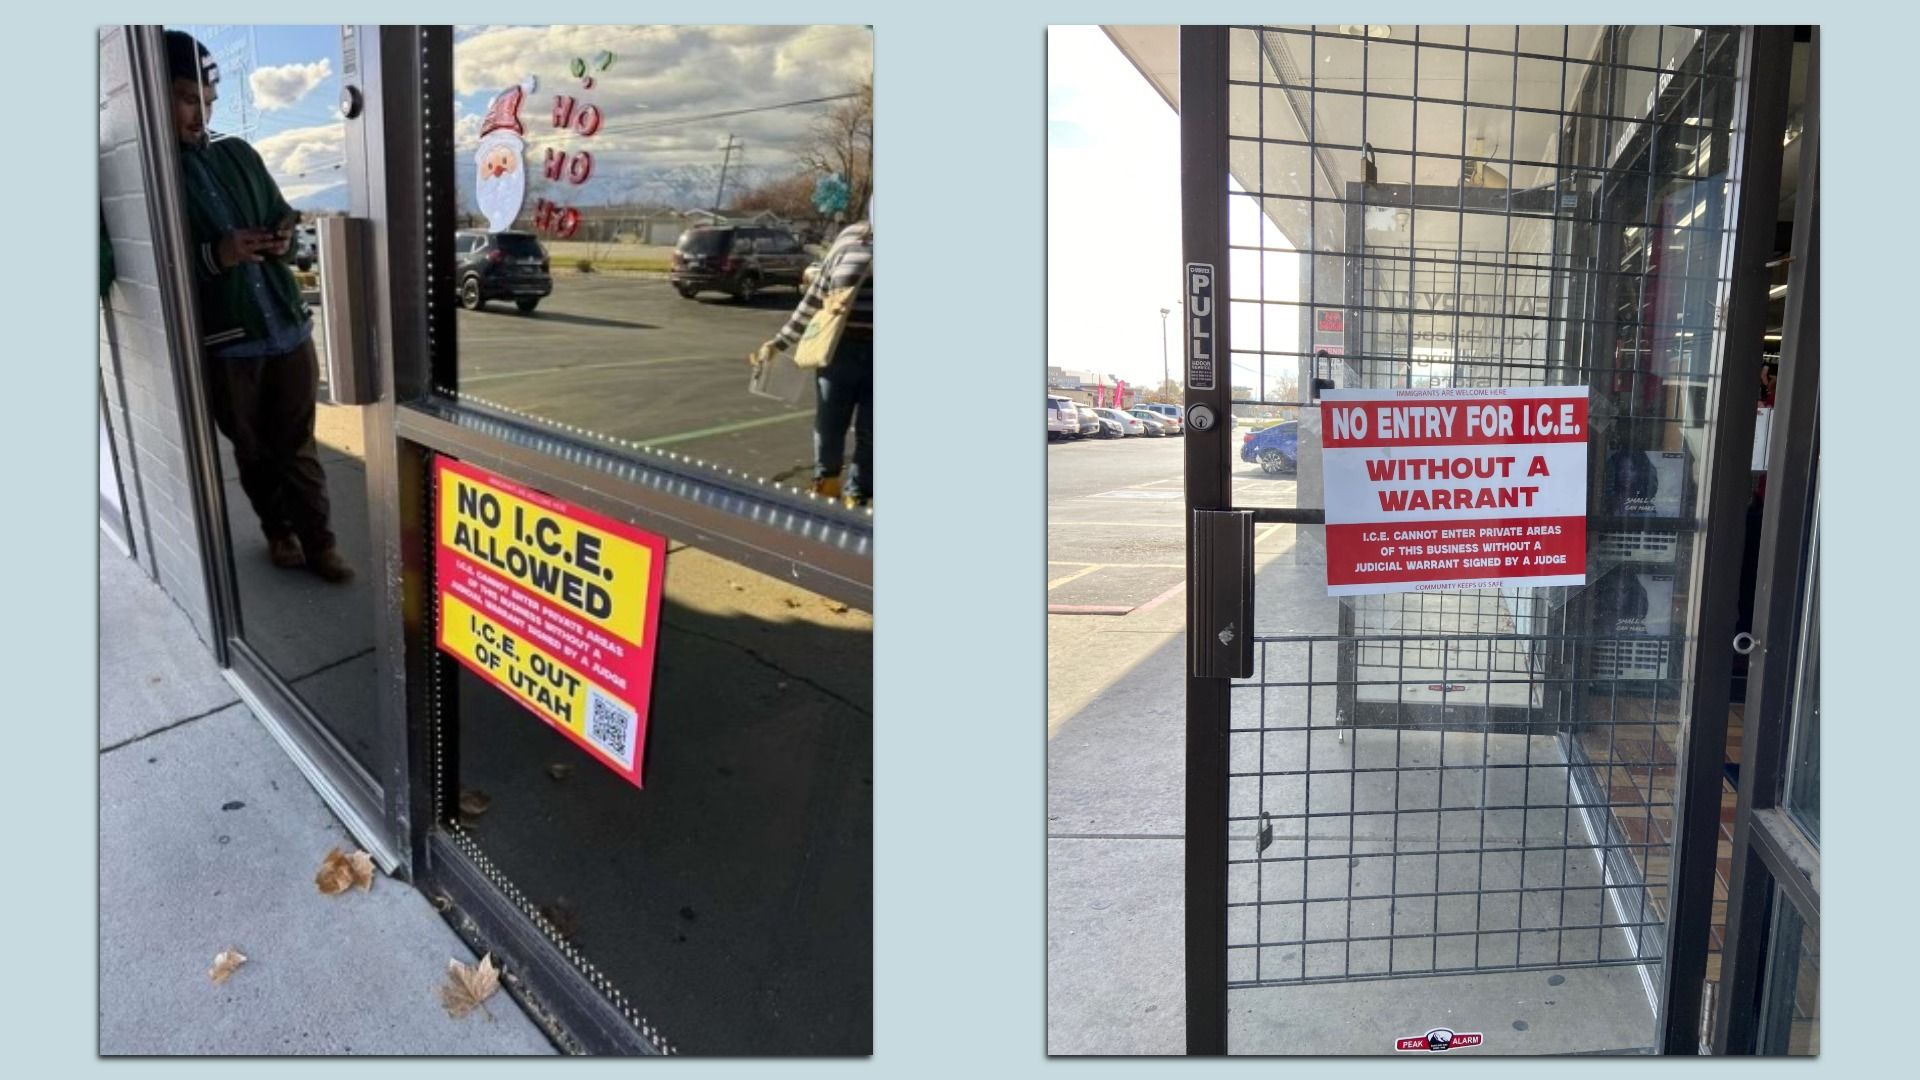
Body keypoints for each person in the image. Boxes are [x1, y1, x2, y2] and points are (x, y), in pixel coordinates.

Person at [168, 31, 350, 582]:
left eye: (209, 102)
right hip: (228, 344)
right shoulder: (152, 172)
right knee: (252, 450)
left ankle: (321, 544)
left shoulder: (239, 153)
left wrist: (282, 237)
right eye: (187, 99)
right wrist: (216, 256)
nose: (201, 115)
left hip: (289, 332)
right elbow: (154, 266)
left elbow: (285, 216)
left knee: (297, 447)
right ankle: (279, 532)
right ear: (155, 96)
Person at [753, 201, 873, 508]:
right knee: (829, 425)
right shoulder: (850, 240)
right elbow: (814, 299)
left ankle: (858, 497)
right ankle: (826, 487)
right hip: (839, 352)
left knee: (872, 433)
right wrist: (779, 343)